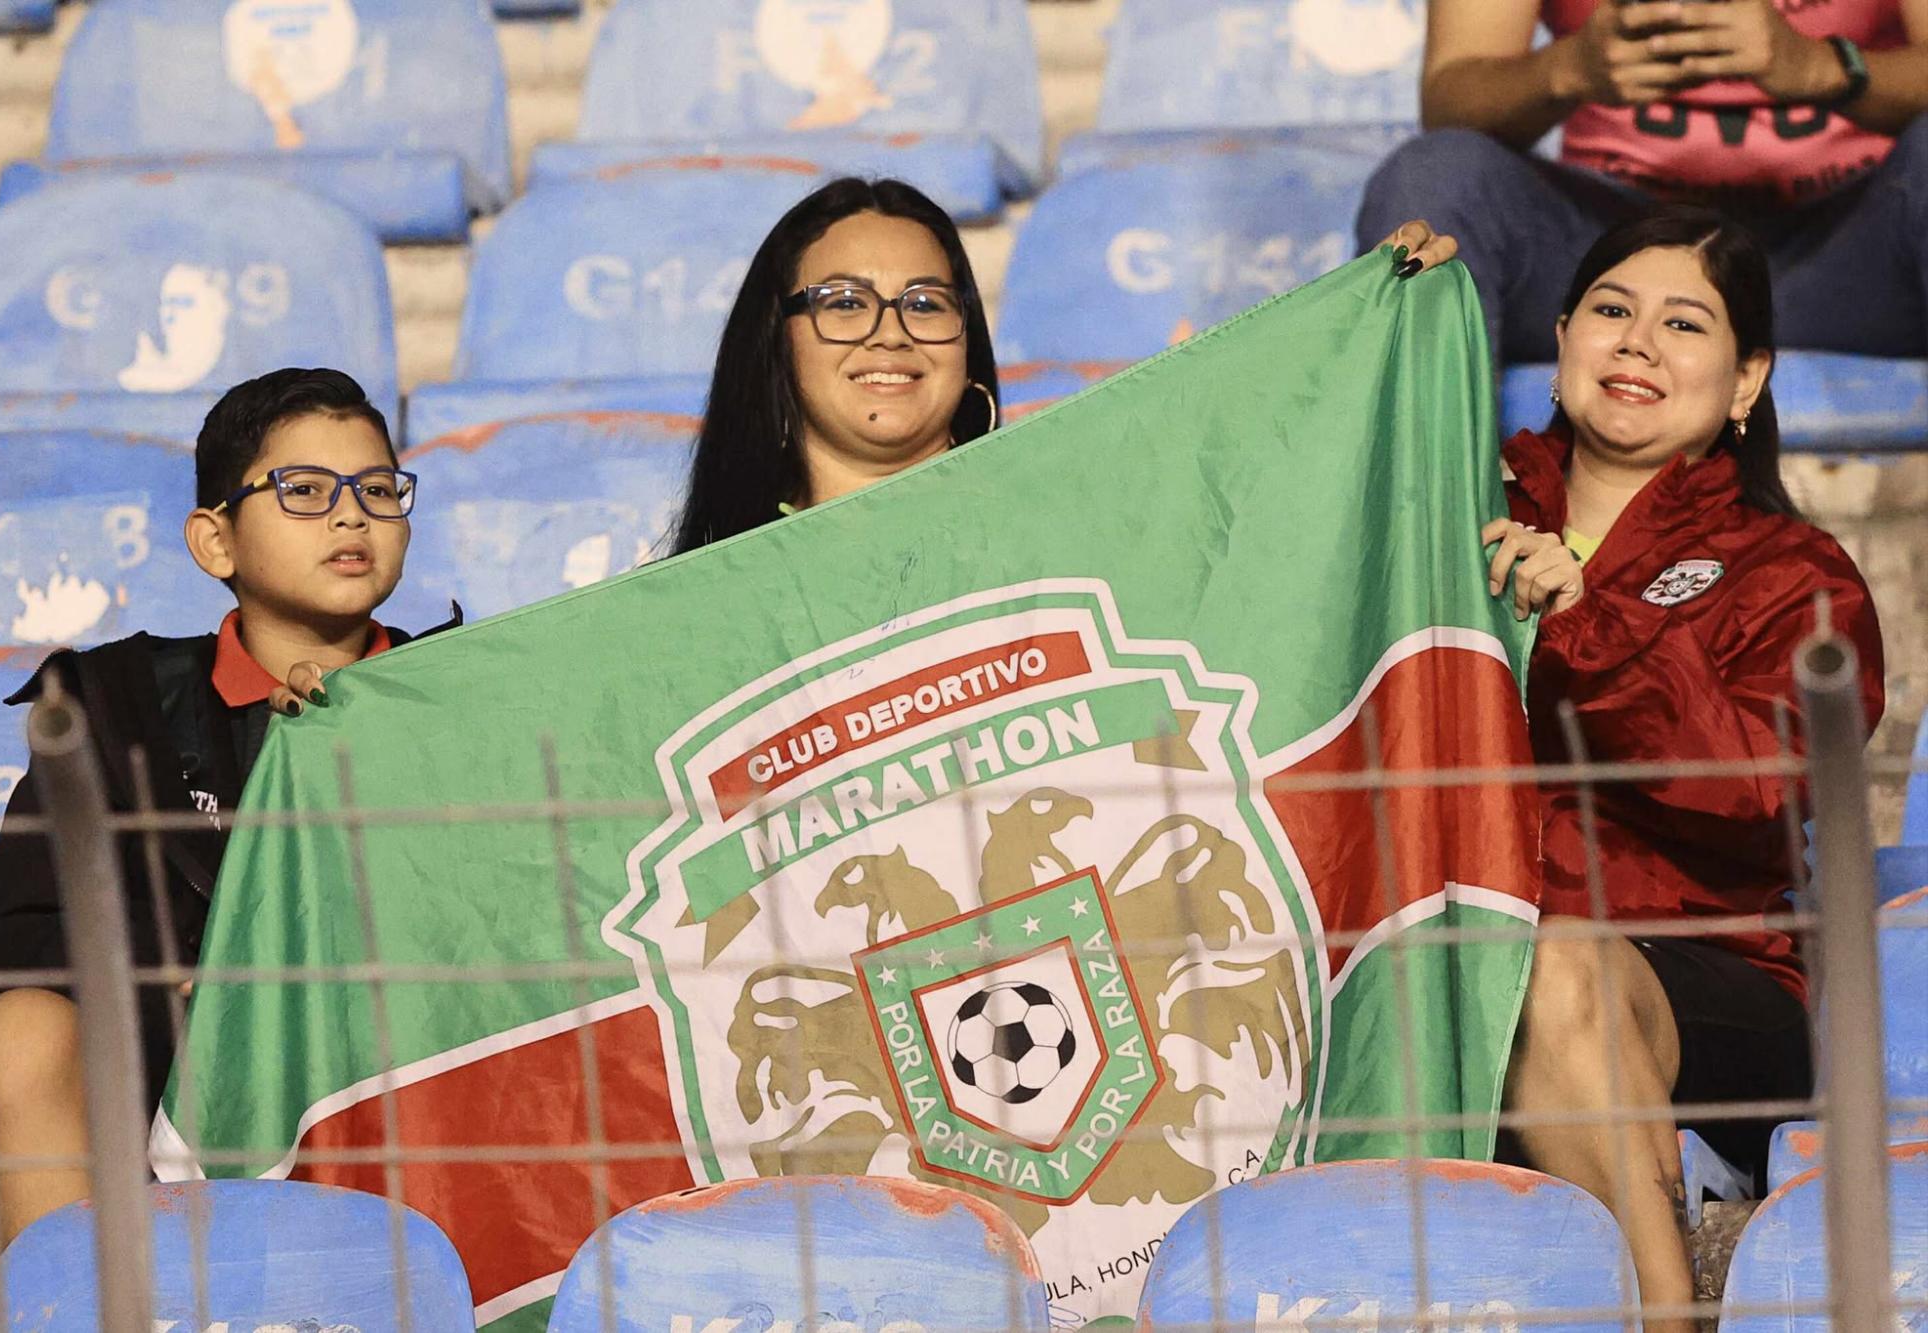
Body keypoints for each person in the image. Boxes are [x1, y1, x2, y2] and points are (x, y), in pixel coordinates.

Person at [1481, 208, 1884, 1331]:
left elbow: (1762, 790)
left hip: (1712, 977)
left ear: (1746, 378)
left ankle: (1664, 1313)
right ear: (1560, 339)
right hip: (1470, 955)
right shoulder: (1453, 526)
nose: (1636, 342)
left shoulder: (1791, 572)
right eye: (1609, 310)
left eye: (1684, 322)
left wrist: (1588, 625)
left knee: (1553, 960)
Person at [0, 368, 456, 1243]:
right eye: (304, 490)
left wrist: (355, 733)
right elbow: (31, 925)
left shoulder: (460, 692)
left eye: (378, 490)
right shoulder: (114, 705)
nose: (352, 516)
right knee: (23, 1028)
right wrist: (198, 985)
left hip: (403, 1050)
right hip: (171, 1064)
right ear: (214, 541)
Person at [673, 176, 1462, 551]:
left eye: (925, 302)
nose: (890, 332)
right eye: (844, 301)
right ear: (776, 343)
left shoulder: (1060, 534)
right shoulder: (697, 593)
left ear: (969, 346)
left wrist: (1369, 328)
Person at [1355, 0, 1928, 364]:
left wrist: (1823, 67)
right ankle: (1429, 539)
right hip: (1607, 259)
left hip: (1842, 253)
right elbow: (1452, 100)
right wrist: (1569, 67)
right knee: (1435, 175)